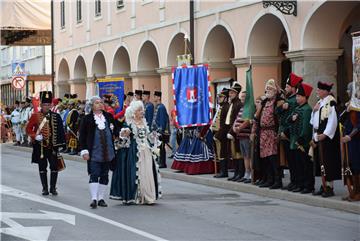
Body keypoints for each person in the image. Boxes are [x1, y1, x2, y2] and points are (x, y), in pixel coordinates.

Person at [110, 100, 161, 205]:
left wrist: (153, 136)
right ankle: (138, 195)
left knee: (147, 172)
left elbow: (148, 137)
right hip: (135, 152)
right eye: (139, 110)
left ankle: (148, 196)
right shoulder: (129, 123)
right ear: (134, 112)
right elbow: (123, 135)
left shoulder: (144, 122)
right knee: (138, 173)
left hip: (146, 151)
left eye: (142, 110)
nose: (142, 112)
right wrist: (124, 133)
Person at [79, 96, 118, 208]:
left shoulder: (108, 116)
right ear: (92, 106)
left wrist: (119, 131)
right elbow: (82, 136)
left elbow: (116, 128)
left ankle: (101, 198)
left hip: (108, 152)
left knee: (105, 175)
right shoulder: (86, 119)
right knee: (94, 174)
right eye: (97, 103)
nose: (100, 104)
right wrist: (84, 150)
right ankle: (94, 198)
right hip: (94, 152)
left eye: (101, 102)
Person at [26, 91, 66, 195]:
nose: (47, 107)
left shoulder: (56, 116)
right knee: (42, 167)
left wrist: (61, 145)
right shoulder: (35, 116)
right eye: (45, 105)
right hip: (41, 147)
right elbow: (28, 129)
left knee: (54, 167)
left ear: (51, 105)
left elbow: (61, 131)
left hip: (53, 147)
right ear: (41, 105)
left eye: (49, 105)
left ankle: (53, 188)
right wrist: (35, 136)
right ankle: (45, 188)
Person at [310, 81, 341, 197]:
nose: (317, 91)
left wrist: (326, 134)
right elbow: (313, 121)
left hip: (327, 138)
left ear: (325, 91)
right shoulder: (319, 102)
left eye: (319, 90)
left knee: (328, 162)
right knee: (321, 162)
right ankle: (323, 185)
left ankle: (329, 187)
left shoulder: (331, 103)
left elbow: (333, 121)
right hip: (319, 136)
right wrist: (314, 111)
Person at [252, 79, 282, 189]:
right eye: (267, 89)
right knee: (264, 158)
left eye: (270, 88)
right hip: (262, 133)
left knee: (272, 158)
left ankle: (277, 180)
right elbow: (256, 118)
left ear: (275, 90)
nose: (268, 90)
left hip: (272, 132)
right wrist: (254, 131)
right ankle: (269, 179)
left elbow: (280, 119)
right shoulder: (264, 102)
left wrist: (279, 133)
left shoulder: (278, 102)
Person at [276, 73, 303, 191]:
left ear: (293, 88)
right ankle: (294, 181)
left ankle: (297, 182)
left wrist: (285, 133)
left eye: (287, 87)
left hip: (290, 134)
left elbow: (291, 120)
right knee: (290, 160)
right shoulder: (288, 100)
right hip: (286, 134)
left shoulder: (293, 101)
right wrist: (282, 107)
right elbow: (277, 112)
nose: (285, 89)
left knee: (294, 161)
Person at [288, 82, 314, 193]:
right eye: (297, 96)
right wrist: (291, 119)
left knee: (305, 165)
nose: (297, 98)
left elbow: (306, 128)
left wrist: (301, 140)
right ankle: (300, 184)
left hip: (302, 142)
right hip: (294, 141)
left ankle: (308, 185)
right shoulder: (298, 108)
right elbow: (288, 120)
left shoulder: (307, 109)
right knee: (297, 164)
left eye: (299, 96)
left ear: (305, 97)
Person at [340, 82, 360, 201]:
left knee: (357, 166)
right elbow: (341, 120)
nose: (347, 92)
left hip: (356, 140)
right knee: (351, 166)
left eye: (349, 90)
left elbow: (358, 125)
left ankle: (358, 192)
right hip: (350, 142)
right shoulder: (350, 106)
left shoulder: (358, 106)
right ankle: (353, 191)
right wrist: (347, 110)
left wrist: (350, 136)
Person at [232, 91, 252, 183]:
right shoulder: (241, 108)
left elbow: (247, 121)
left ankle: (251, 174)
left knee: (249, 156)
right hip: (240, 136)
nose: (242, 98)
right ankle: (246, 173)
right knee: (244, 156)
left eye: (244, 97)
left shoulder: (249, 108)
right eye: (241, 97)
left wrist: (239, 128)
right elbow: (236, 119)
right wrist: (234, 127)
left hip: (246, 135)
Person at [152, 91, 170, 168]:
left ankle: (162, 163)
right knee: (158, 147)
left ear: (159, 97)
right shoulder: (157, 106)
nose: (154, 98)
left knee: (161, 147)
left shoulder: (161, 107)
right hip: (156, 131)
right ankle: (159, 161)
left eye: (155, 96)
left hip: (160, 131)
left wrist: (161, 131)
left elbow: (162, 120)